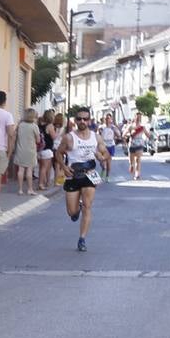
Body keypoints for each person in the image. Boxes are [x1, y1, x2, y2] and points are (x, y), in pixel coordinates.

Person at [56, 107, 111, 252]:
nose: (82, 121)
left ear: (89, 120)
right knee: (72, 212)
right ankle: (76, 209)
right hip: (73, 174)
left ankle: (82, 239)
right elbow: (58, 153)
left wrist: (101, 157)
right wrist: (63, 166)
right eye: (79, 118)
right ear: (75, 120)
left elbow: (105, 153)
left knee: (88, 206)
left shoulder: (96, 137)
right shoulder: (69, 137)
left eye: (85, 119)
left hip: (90, 174)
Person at [13, 108, 41, 196]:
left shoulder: (20, 125)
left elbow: (14, 135)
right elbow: (38, 140)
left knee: (20, 170)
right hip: (31, 150)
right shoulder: (34, 126)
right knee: (29, 170)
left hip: (20, 149)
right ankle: (30, 189)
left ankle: (20, 189)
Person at [37, 110, 56, 192]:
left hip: (41, 149)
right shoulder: (50, 126)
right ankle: (41, 184)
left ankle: (44, 182)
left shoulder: (40, 126)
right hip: (47, 149)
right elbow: (54, 137)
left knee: (42, 167)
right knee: (45, 168)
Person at [127, 112, 149, 180]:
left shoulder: (142, 127)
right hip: (132, 145)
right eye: (137, 117)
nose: (138, 118)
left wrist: (148, 136)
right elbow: (124, 134)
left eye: (140, 117)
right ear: (134, 117)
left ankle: (137, 174)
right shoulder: (130, 126)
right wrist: (129, 135)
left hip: (139, 144)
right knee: (131, 161)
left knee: (138, 160)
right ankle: (131, 166)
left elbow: (147, 135)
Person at [98, 113, 118, 179]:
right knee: (102, 161)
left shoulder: (113, 127)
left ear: (111, 119)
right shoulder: (101, 127)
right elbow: (98, 135)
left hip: (111, 145)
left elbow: (118, 134)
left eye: (109, 118)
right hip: (103, 145)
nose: (107, 120)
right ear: (104, 119)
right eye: (106, 119)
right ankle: (103, 169)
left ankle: (107, 176)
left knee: (109, 162)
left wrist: (116, 133)